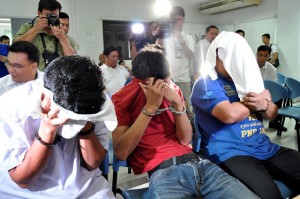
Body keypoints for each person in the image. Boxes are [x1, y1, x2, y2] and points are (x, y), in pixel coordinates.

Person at [111, 44, 259, 199]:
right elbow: (121, 153)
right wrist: (150, 108)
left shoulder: (173, 89)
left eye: (166, 80)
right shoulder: (122, 98)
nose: (163, 86)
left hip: (200, 164)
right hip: (164, 172)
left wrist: (178, 105)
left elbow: (185, 139)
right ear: (142, 81)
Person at [191, 31, 300, 199]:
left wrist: (264, 104)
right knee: (269, 195)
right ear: (218, 56)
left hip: (264, 147)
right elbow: (229, 114)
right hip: (231, 153)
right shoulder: (206, 83)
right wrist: (257, 103)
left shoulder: (248, 78)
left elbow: (271, 113)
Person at [0, 55, 116, 198]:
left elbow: (93, 164)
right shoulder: (11, 106)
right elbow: (23, 180)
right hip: (28, 193)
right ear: (45, 97)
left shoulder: (93, 99)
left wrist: (85, 123)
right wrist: (48, 129)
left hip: (86, 187)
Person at [14, 0, 76, 71]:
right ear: (39, 13)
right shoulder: (28, 27)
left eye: (55, 16)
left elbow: (72, 60)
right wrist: (36, 29)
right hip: (34, 78)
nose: (51, 19)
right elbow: (16, 47)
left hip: (56, 77)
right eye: (48, 15)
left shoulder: (61, 32)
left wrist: (62, 38)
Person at [163, 6, 195, 113]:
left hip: (183, 80)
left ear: (183, 19)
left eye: (179, 19)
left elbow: (190, 56)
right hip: (166, 79)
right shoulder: (165, 37)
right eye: (174, 19)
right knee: (167, 110)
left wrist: (181, 40)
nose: (176, 22)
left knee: (186, 110)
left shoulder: (188, 38)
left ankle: (189, 129)